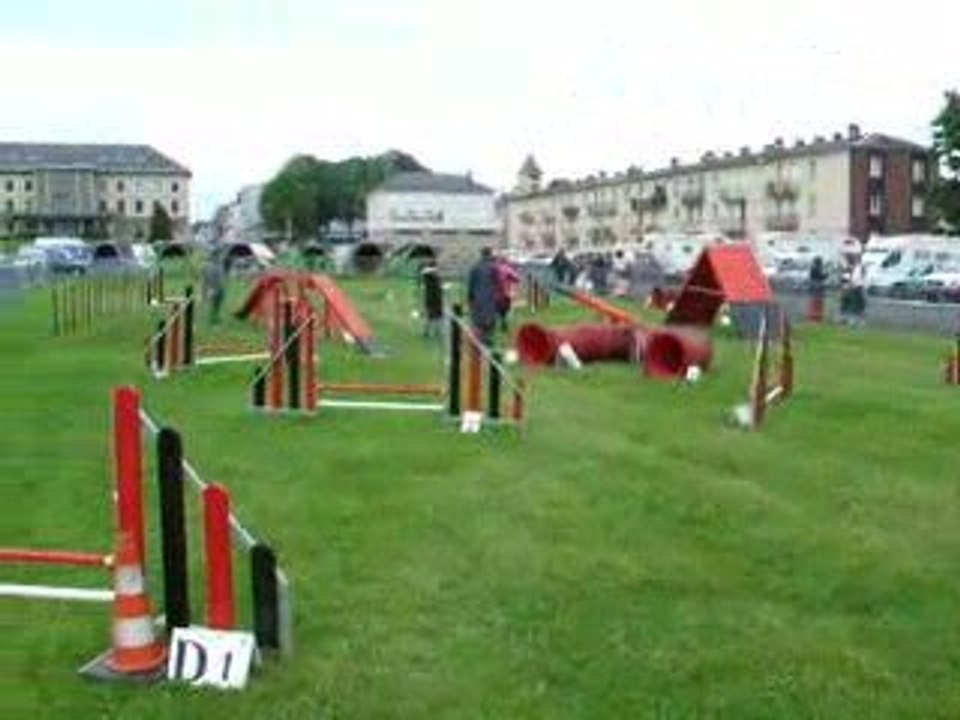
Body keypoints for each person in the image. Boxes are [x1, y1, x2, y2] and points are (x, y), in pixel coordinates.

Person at [466, 247, 500, 346]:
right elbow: (497, 283)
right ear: (489, 254)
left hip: (478, 297)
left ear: (481, 254)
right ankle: (487, 339)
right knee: (489, 319)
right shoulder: (494, 267)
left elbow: (471, 284)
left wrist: (470, 297)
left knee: (478, 319)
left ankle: (480, 339)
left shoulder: (475, 267)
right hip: (490, 297)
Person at [493, 254, 520, 332]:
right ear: (505, 261)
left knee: (496, 309)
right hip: (505, 292)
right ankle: (503, 322)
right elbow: (517, 278)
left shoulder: (494, 268)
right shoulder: (507, 269)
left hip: (494, 293)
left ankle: (496, 323)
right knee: (505, 309)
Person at [419, 259, 444, 339]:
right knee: (430, 316)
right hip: (432, 298)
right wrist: (435, 270)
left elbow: (439, 286)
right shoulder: (428, 275)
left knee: (437, 316)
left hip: (436, 298)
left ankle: (436, 332)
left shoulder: (435, 276)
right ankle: (426, 332)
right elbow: (424, 271)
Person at [201, 253, 227, 325]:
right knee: (215, 305)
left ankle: (214, 318)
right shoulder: (218, 266)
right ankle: (213, 319)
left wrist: (204, 291)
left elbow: (204, 280)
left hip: (211, 287)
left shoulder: (205, 265)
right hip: (217, 288)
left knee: (214, 305)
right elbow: (221, 279)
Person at [807, 256, 827, 322]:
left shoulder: (814, 268)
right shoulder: (816, 269)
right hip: (816, 286)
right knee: (816, 301)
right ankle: (815, 316)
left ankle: (815, 316)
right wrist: (826, 275)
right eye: (820, 262)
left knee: (815, 301)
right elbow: (820, 277)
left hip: (815, 286)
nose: (821, 264)